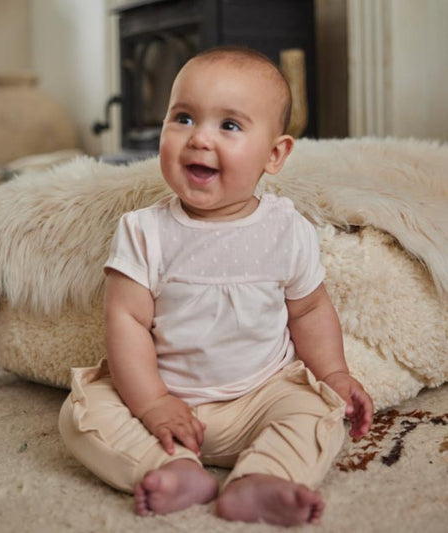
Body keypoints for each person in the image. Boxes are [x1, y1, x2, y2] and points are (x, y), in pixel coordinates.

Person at [58, 46, 373, 527]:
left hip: (261, 397)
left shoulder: (287, 230)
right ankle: (171, 469)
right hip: (163, 398)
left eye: (229, 125)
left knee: (319, 412)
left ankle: (263, 477)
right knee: (82, 413)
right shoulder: (144, 231)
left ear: (274, 154)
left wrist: (333, 374)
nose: (199, 138)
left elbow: (309, 311)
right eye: (183, 118)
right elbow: (126, 321)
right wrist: (152, 403)